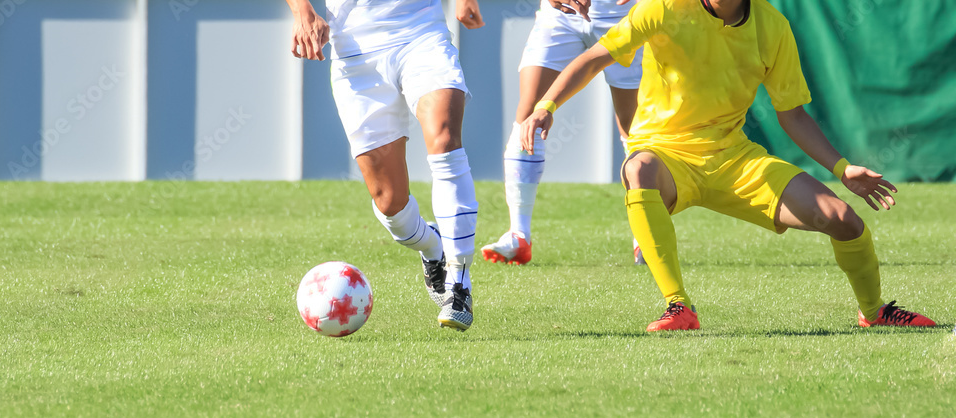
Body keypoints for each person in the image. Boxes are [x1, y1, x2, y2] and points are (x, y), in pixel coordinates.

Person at [520, 0, 936, 330]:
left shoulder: (772, 26)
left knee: (843, 219)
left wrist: (842, 169)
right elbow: (595, 57)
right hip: (665, 154)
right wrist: (546, 105)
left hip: (734, 159)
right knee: (637, 169)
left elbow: (792, 114)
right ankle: (678, 306)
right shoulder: (663, 7)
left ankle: (875, 311)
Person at [288, 0, 485, 330]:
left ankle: (459, 285)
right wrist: (302, 11)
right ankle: (431, 245)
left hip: (422, 34)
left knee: (444, 138)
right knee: (390, 201)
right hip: (355, 52)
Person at [481, 0, 646, 266]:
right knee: (529, 113)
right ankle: (518, 234)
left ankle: (645, 235)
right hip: (560, 15)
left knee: (633, 126)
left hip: (622, 15)